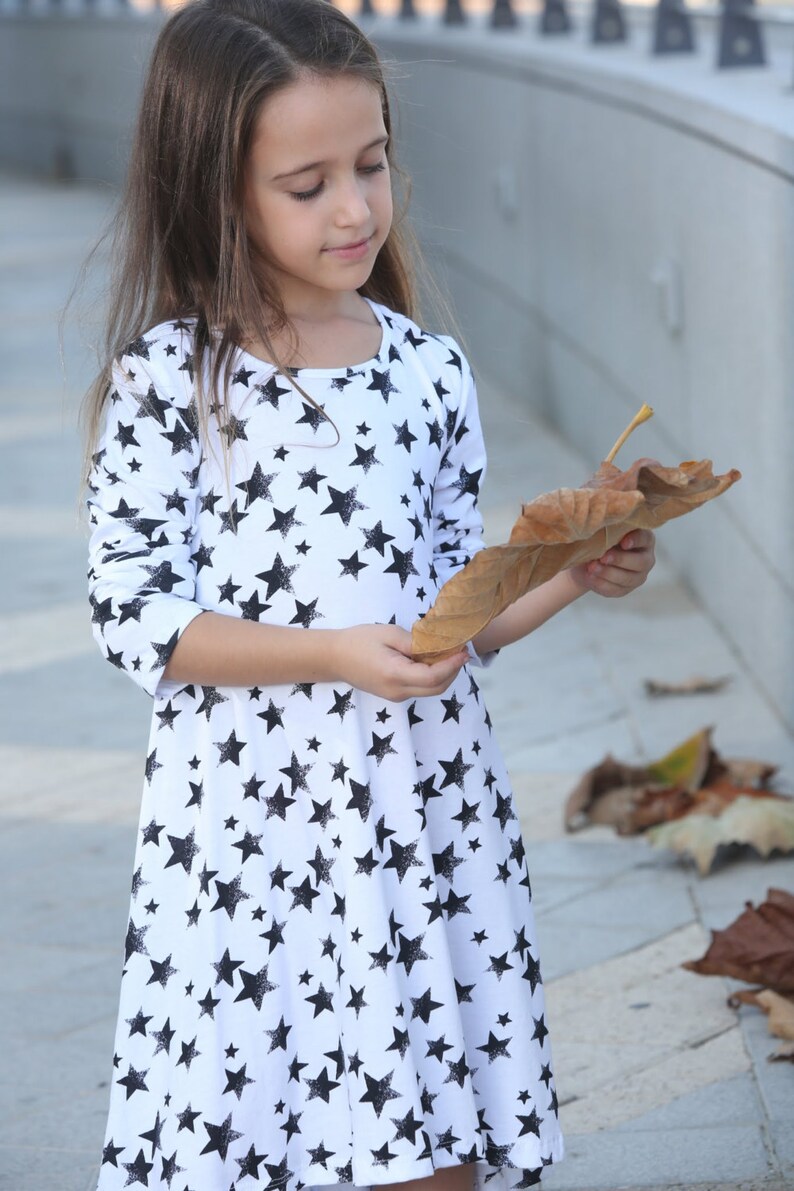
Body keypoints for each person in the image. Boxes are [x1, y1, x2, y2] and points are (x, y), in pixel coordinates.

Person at [83, 2, 655, 1189]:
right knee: (264, 1128)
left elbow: (452, 621)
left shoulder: (427, 372)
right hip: (253, 833)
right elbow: (134, 614)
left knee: (431, 1131)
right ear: (214, 190)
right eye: (307, 185)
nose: (354, 209)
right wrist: (328, 653)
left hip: (421, 815)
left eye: (371, 164)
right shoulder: (171, 383)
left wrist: (573, 567)